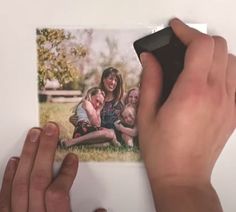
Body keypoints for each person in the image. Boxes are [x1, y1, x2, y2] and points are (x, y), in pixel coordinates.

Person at [0, 18, 236, 212]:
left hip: (109, 134)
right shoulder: (98, 97)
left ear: (119, 81)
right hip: (96, 130)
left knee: (107, 132)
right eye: (108, 78)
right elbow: (87, 112)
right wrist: (184, 183)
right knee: (101, 129)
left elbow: (131, 113)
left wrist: (183, 182)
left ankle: (74, 142)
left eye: (115, 78)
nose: (111, 82)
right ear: (103, 80)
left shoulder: (123, 101)